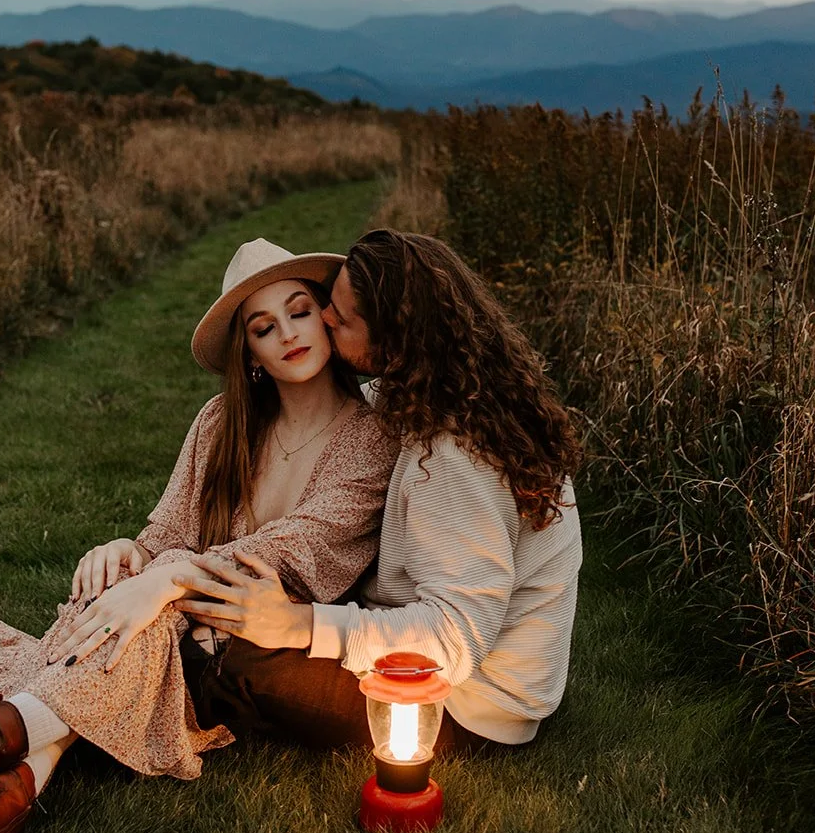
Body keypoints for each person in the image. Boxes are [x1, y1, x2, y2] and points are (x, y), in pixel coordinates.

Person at [0, 239, 399, 833]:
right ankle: (4, 799)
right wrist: (129, 554)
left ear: (327, 318)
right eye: (264, 327)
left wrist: (163, 579)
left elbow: (297, 552)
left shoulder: (369, 437)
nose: (288, 336)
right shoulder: (221, 422)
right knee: (120, 589)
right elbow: (165, 531)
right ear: (248, 353)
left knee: (148, 613)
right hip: (190, 617)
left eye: (299, 312)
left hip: (254, 644)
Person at [175, 229, 584, 753]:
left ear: (392, 339)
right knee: (241, 620)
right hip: (439, 659)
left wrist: (299, 624)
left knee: (234, 652)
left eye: (340, 319)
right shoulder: (436, 390)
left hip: (465, 703)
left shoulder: (456, 454)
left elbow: (455, 639)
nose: (323, 320)